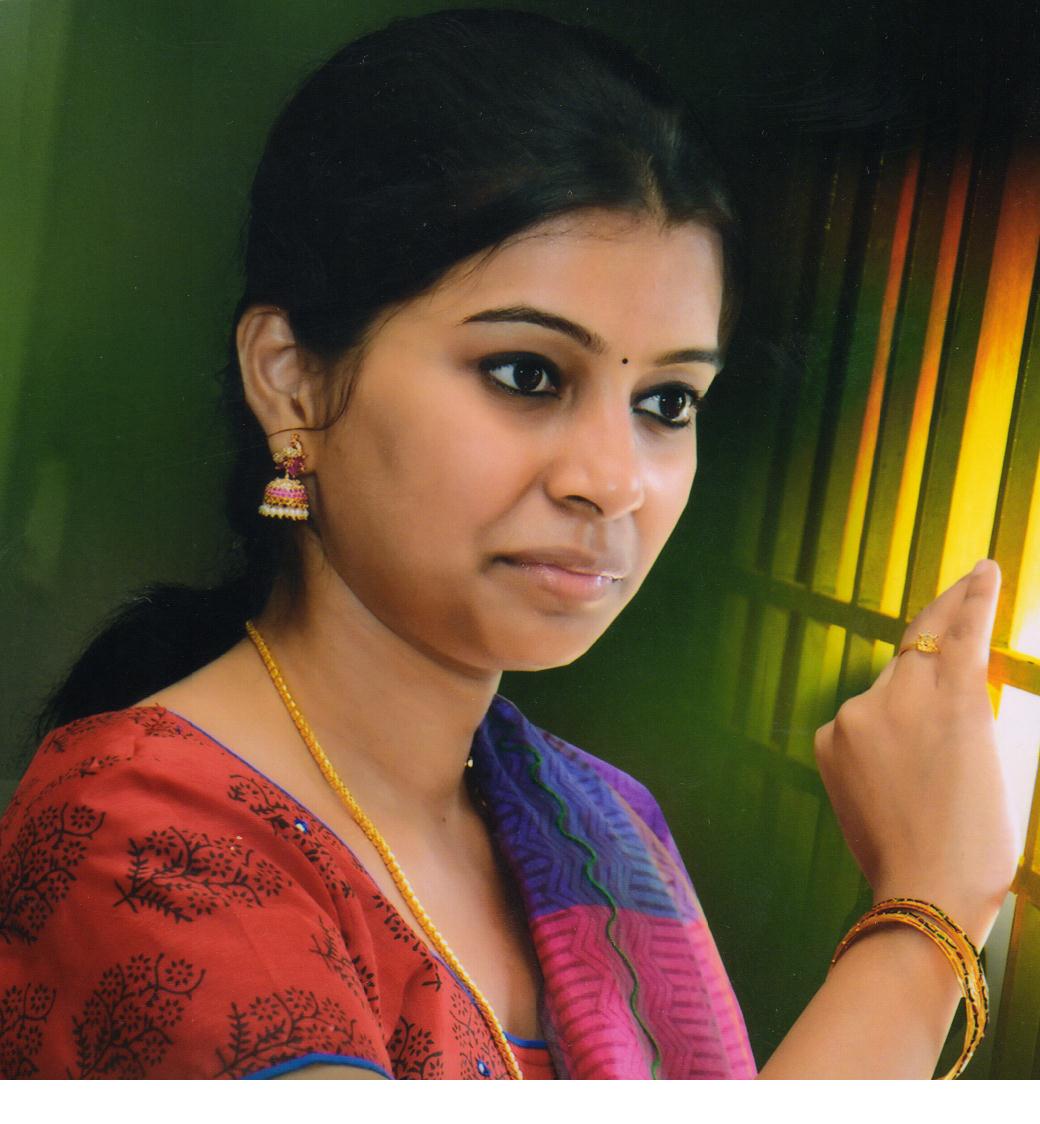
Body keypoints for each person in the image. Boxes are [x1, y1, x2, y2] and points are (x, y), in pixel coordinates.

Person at [0, 8, 1019, 1080]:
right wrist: (926, 918)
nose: (612, 479)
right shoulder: (140, 840)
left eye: (668, 401)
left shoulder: (605, 830)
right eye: (527, 374)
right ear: (289, 378)